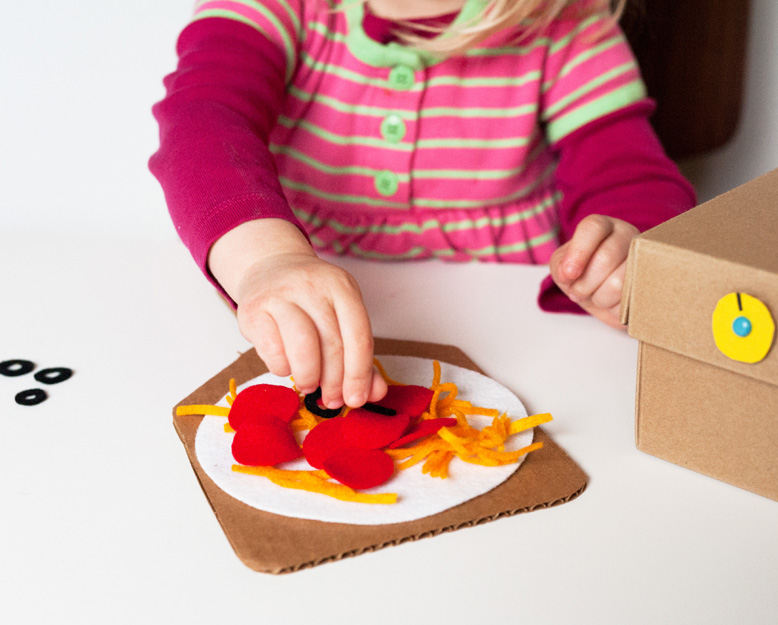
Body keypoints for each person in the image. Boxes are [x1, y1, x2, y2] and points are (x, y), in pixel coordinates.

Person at [150, 0, 695, 411]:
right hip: (311, 288)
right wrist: (267, 261)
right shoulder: (280, 8)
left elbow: (627, 170)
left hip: (523, 326)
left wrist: (626, 251)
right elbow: (203, 124)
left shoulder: (565, 20)